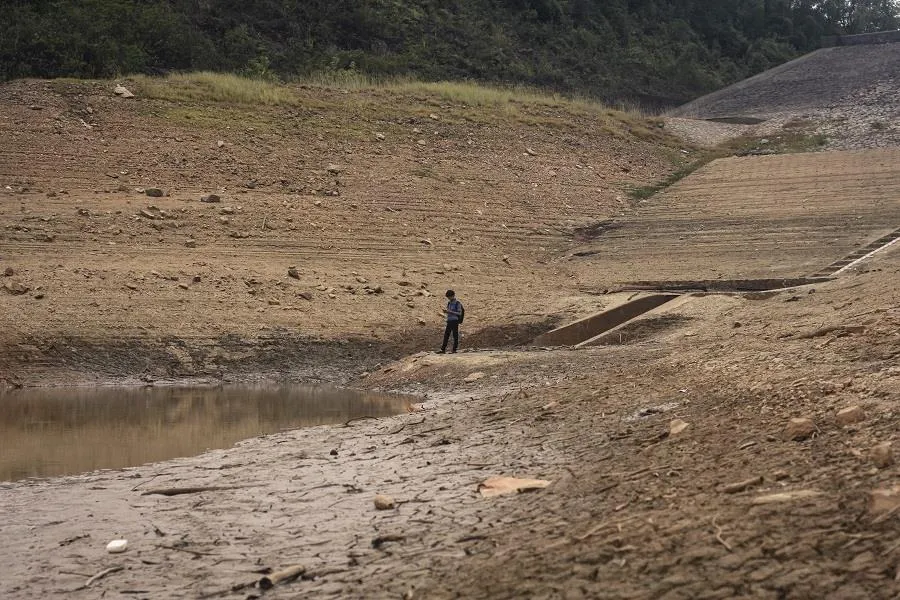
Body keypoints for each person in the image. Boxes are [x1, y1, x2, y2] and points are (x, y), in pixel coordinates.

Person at [438, 289, 463, 354]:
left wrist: (450, 312)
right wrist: (446, 312)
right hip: (449, 320)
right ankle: (443, 349)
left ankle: (454, 349)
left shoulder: (458, 303)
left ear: (453, 296)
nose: (449, 298)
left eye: (449, 297)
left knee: (455, 335)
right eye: (448, 297)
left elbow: (459, 313)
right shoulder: (449, 303)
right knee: (446, 335)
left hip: (455, 321)